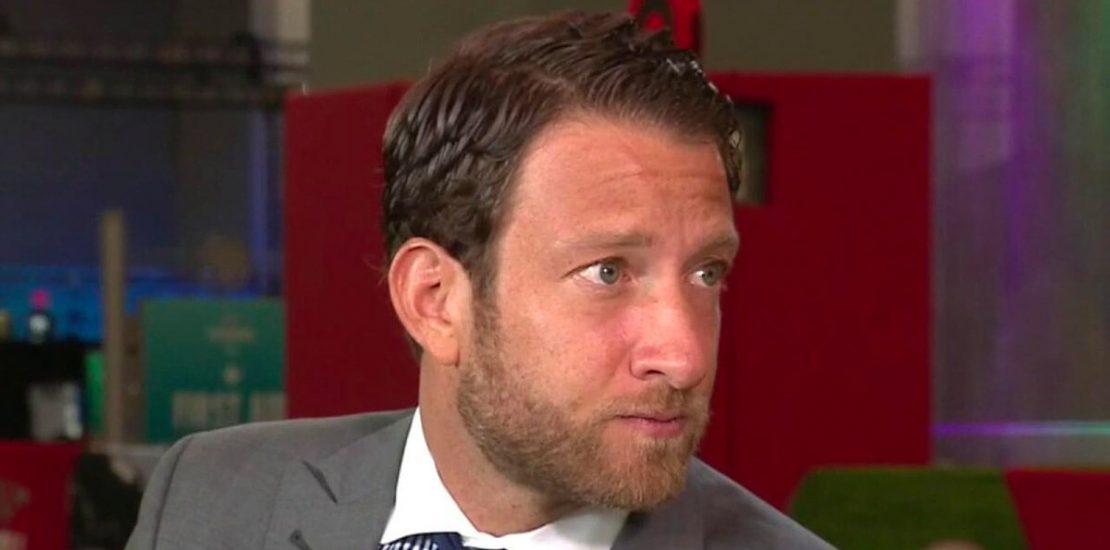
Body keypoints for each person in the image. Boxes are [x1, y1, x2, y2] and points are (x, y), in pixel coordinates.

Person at [126, 11, 831, 550]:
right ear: (435, 301)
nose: (685, 356)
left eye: (707, 273)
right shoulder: (211, 498)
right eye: (608, 272)